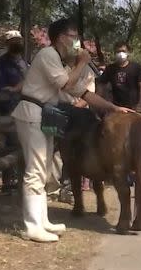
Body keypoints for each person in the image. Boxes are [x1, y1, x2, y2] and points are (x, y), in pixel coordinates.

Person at [12, 18, 130, 243]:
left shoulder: (60, 62)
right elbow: (65, 85)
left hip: (44, 114)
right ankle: (32, 226)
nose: (76, 41)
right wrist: (81, 63)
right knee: (36, 169)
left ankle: (42, 220)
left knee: (44, 168)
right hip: (31, 113)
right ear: (59, 38)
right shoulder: (47, 55)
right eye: (72, 36)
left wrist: (114, 108)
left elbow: (84, 93)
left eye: (77, 36)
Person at [0, 30, 29, 192]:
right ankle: (8, 181)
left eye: (18, 39)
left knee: (25, 145)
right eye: (13, 40)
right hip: (11, 109)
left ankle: (22, 180)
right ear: (7, 44)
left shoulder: (26, 63)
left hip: (28, 108)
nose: (17, 42)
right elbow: (1, 88)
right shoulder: (0, 64)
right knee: (12, 144)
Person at [98, 41, 141, 111]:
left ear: (128, 52)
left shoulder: (136, 67)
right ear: (115, 53)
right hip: (117, 107)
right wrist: (100, 102)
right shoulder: (110, 68)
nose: (121, 54)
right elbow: (101, 85)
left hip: (133, 107)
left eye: (123, 51)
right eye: (118, 51)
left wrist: (140, 103)